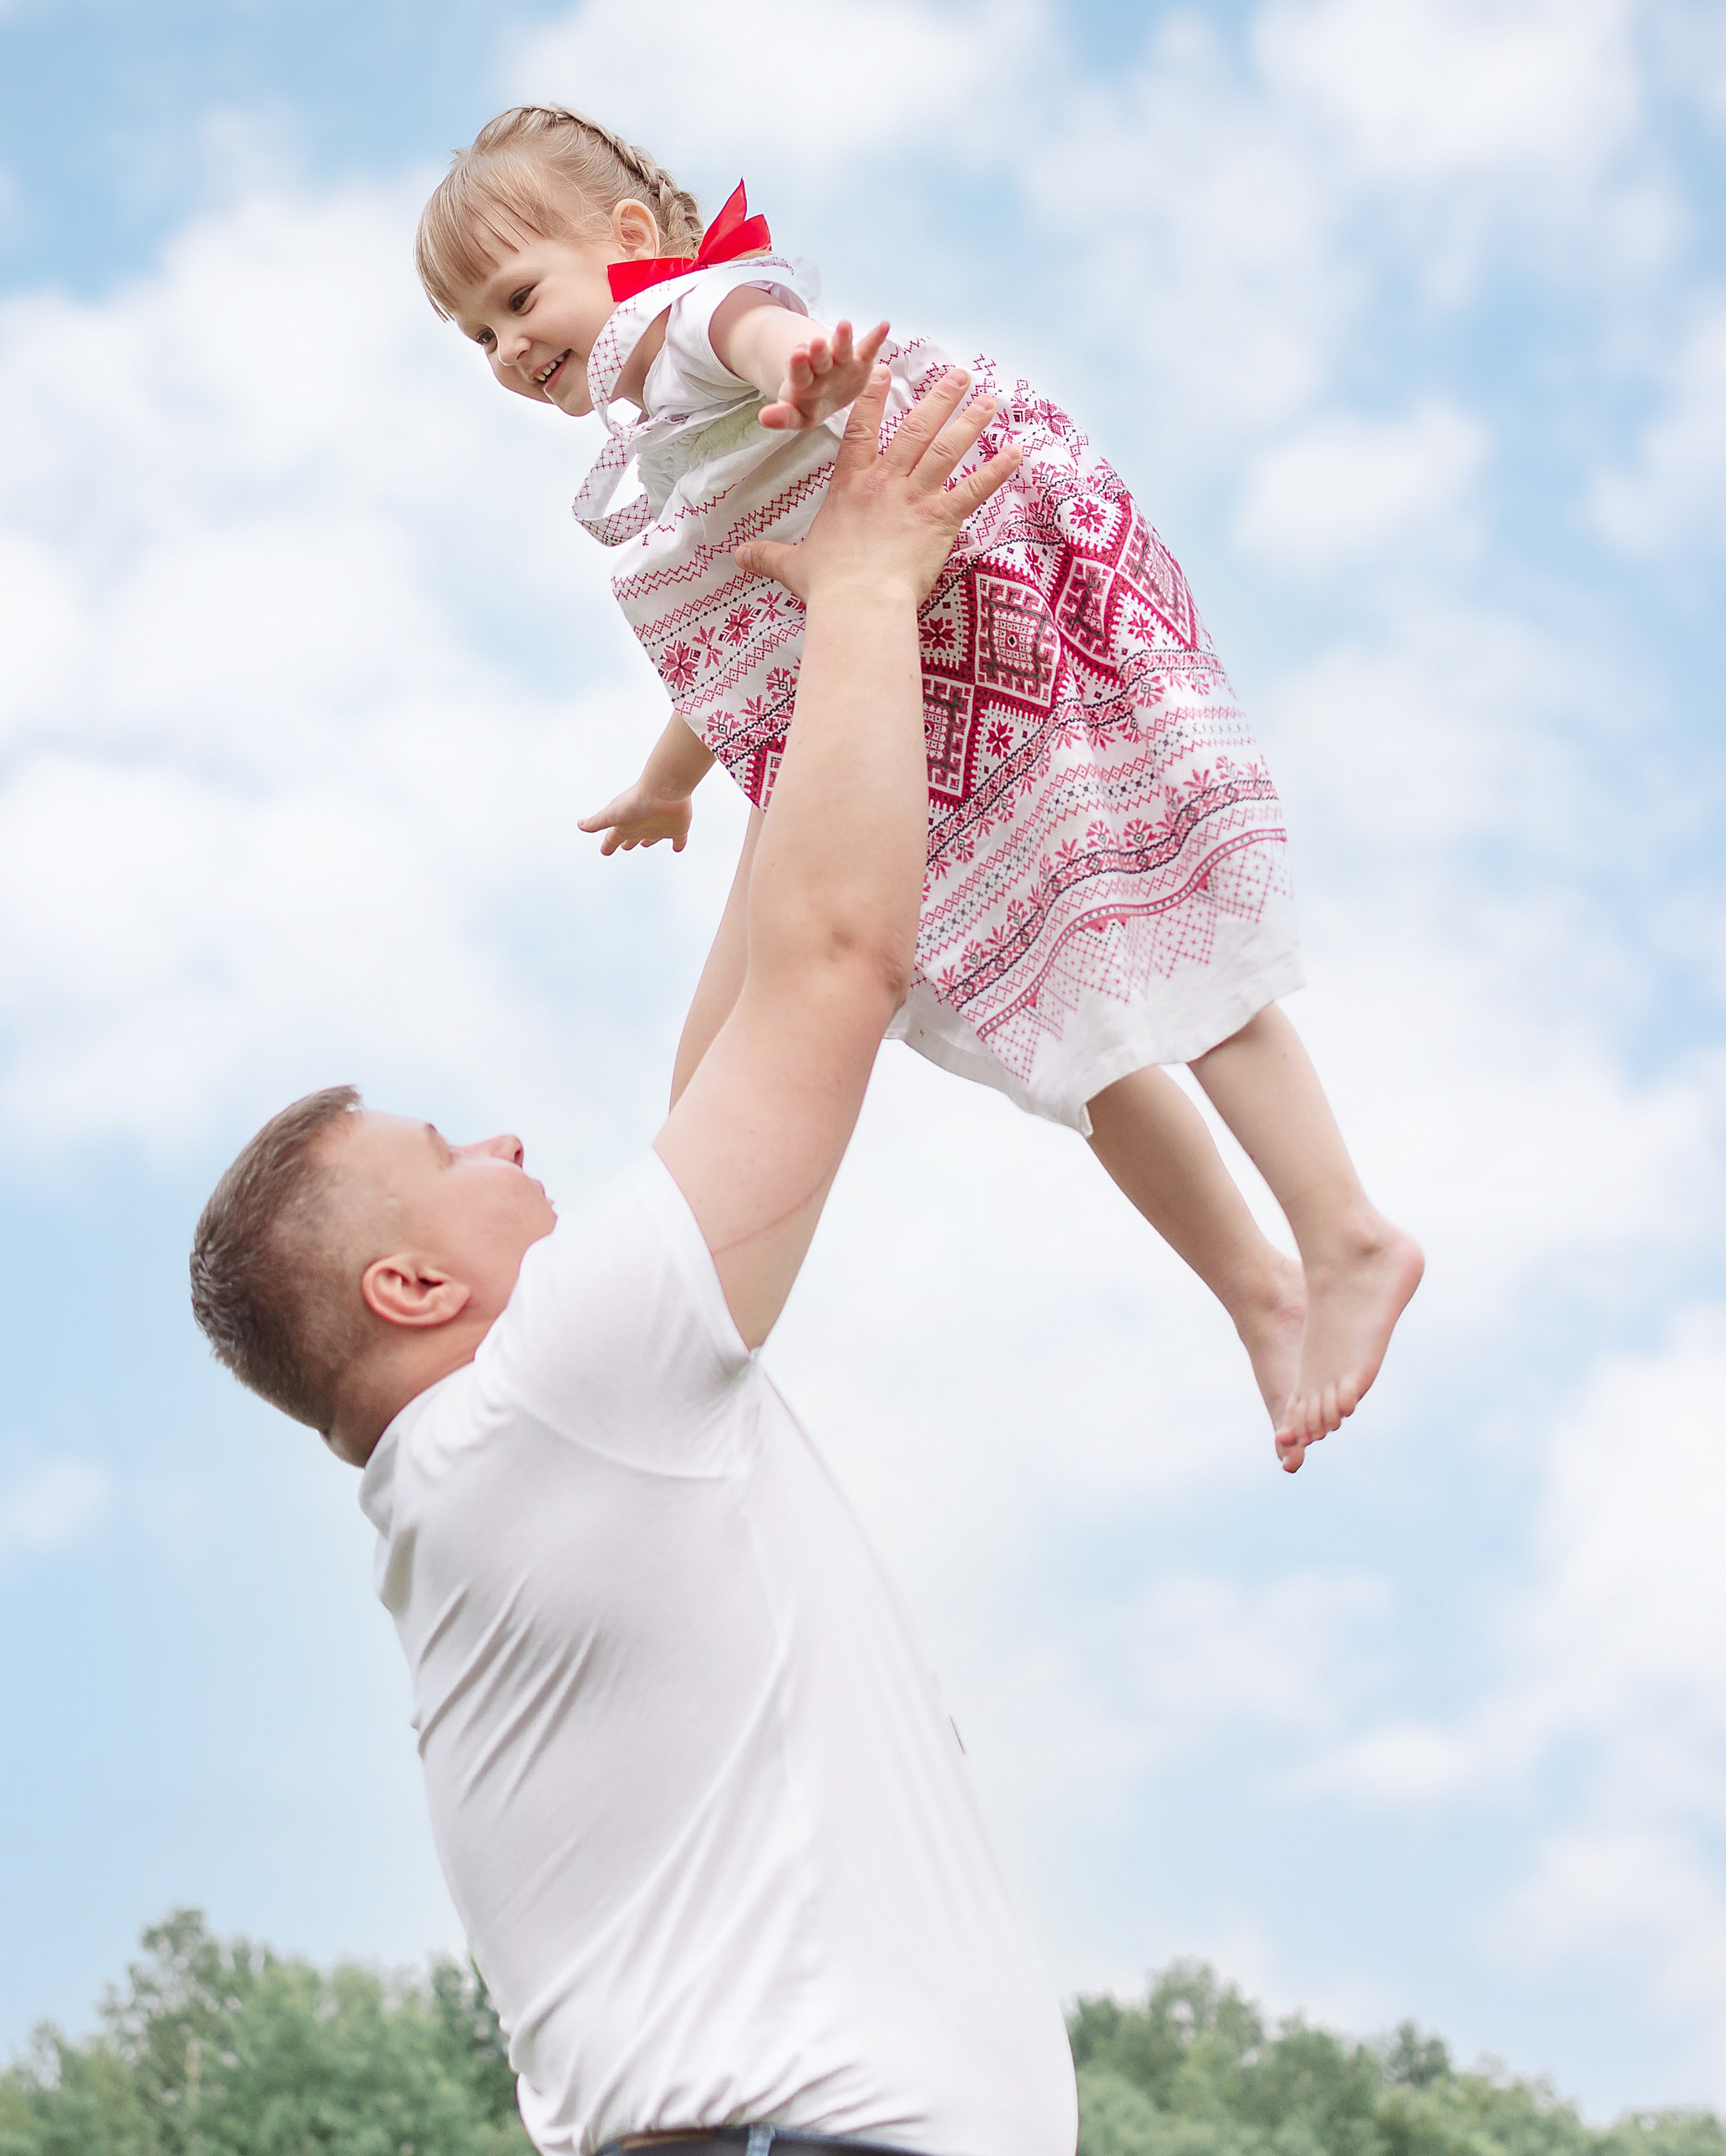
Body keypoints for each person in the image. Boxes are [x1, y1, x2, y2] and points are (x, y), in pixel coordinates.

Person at [192, 368, 1086, 2156]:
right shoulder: (548, 1414)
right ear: (412, 1290)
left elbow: (755, 1008)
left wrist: (789, 691)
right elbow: (833, 971)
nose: (509, 1139)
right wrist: (861, 581)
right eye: (448, 1149)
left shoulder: (523, 1452)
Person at [414, 105, 1422, 1472]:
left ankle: (1340, 1228)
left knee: (1152, 937)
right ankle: (1263, 1290)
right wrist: (665, 783)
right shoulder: (672, 423)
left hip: (973, 643)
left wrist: (807, 370)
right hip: (919, 691)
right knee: (1071, 1026)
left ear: (629, 240)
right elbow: (751, 639)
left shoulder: (684, 320)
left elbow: (757, 330)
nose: (506, 348)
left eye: (518, 299)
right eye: (476, 334)